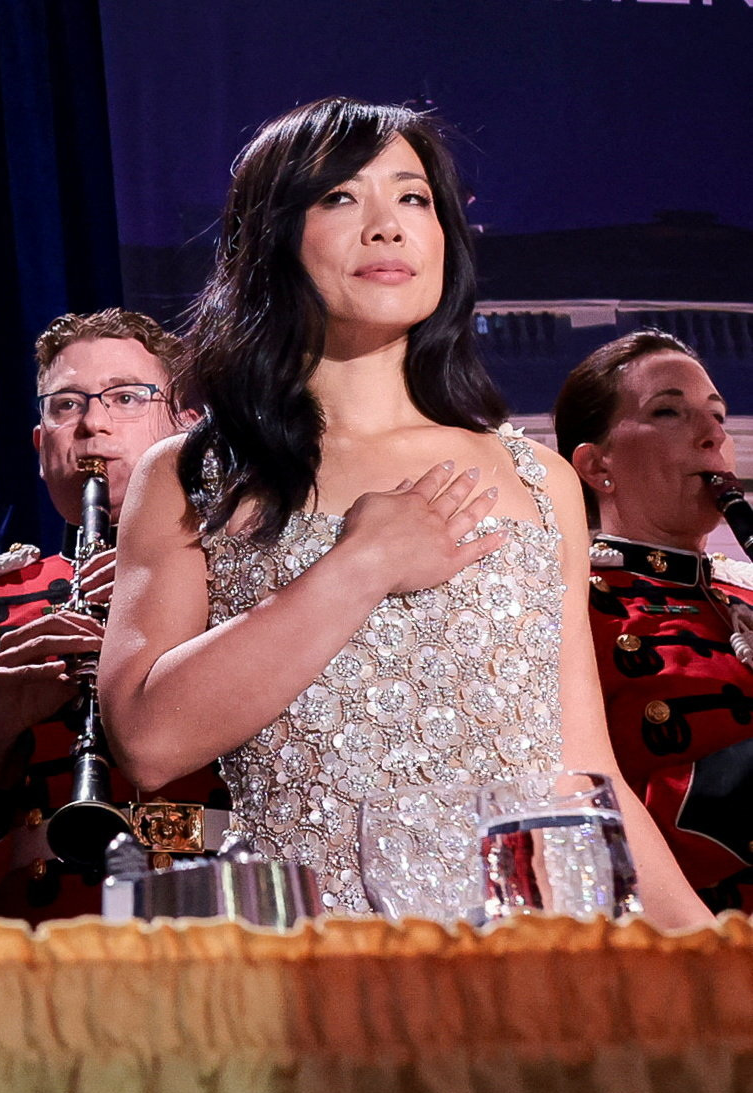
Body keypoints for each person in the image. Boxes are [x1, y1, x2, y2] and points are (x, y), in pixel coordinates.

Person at [99, 98, 703, 924]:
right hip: (320, 970)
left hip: (534, 962)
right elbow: (149, 740)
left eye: (412, 198)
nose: (388, 227)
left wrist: (706, 951)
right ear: (270, 236)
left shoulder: (539, 478)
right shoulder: (197, 473)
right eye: (341, 197)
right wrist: (360, 566)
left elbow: (578, 769)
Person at [0, 311, 229, 920]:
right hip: (45, 959)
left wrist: (172, 586)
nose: (93, 424)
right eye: (66, 405)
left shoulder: (250, 579)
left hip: (226, 924)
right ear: (42, 447)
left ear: (187, 428)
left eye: (127, 398)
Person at [555, 331, 753, 912]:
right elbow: (591, 810)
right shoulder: (567, 604)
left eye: (717, 415)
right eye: (668, 411)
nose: (713, 434)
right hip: (690, 945)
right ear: (596, 465)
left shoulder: (741, 588)